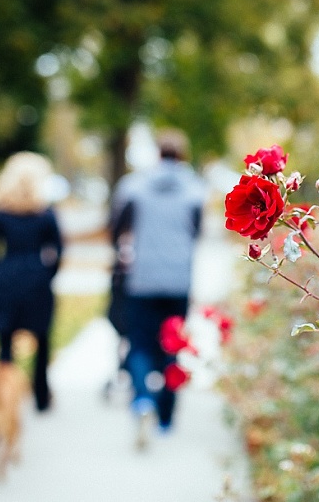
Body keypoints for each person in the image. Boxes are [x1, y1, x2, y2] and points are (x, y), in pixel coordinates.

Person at [109, 129, 206, 449]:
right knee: (173, 345)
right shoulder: (194, 190)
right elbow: (196, 233)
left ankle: (141, 401)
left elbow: (116, 229)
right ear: (182, 155)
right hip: (178, 281)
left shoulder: (134, 187)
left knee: (138, 344)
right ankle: (165, 416)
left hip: (141, 279)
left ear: (157, 154)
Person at [0, 151, 64, 412]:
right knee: (42, 339)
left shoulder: (0, 214)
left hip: (6, 280)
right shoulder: (46, 214)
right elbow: (58, 251)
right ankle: (41, 395)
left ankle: (4, 396)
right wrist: (46, 273)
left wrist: (0, 269)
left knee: (5, 342)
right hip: (37, 282)